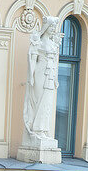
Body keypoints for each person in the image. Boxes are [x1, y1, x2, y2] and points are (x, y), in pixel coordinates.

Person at [23, 16, 61, 144]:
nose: (52, 30)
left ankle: (44, 130)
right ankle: (37, 130)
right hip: (40, 73)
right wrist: (30, 76)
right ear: (45, 28)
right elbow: (33, 60)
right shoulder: (39, 43)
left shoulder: (53, 44)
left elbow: (55, 63)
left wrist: (55, 78)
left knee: (47, 103)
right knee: (39, 101)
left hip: (50, 75)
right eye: (50, 27)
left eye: (54, 28)